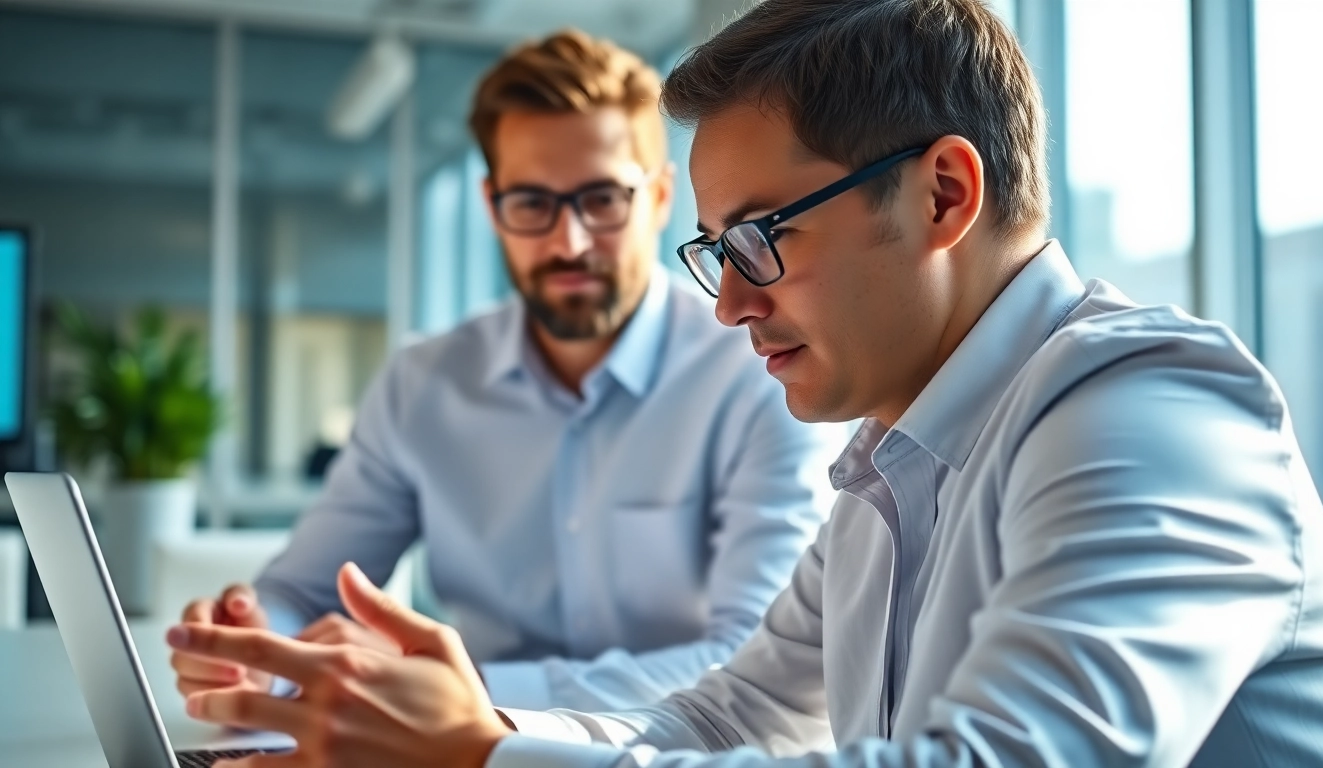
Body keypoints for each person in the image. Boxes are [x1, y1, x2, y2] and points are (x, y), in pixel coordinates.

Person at [164, 1, 1323, 766]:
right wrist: (456, 732)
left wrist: (482, 756)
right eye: (719, 253)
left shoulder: (1153, 411)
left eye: (761, 238)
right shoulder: (897, 460)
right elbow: (730, 716)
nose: (728, 302)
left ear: (943, 194)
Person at [167, 28, 836, 713]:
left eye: (603, 199)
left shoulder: (759, 374)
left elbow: (757, 668)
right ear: (493, 208)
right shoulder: (423, 385)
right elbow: (303, 592)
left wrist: (461, 691)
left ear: (661, 199)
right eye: (532, 204)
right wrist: (257, 649)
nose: (569, 241)